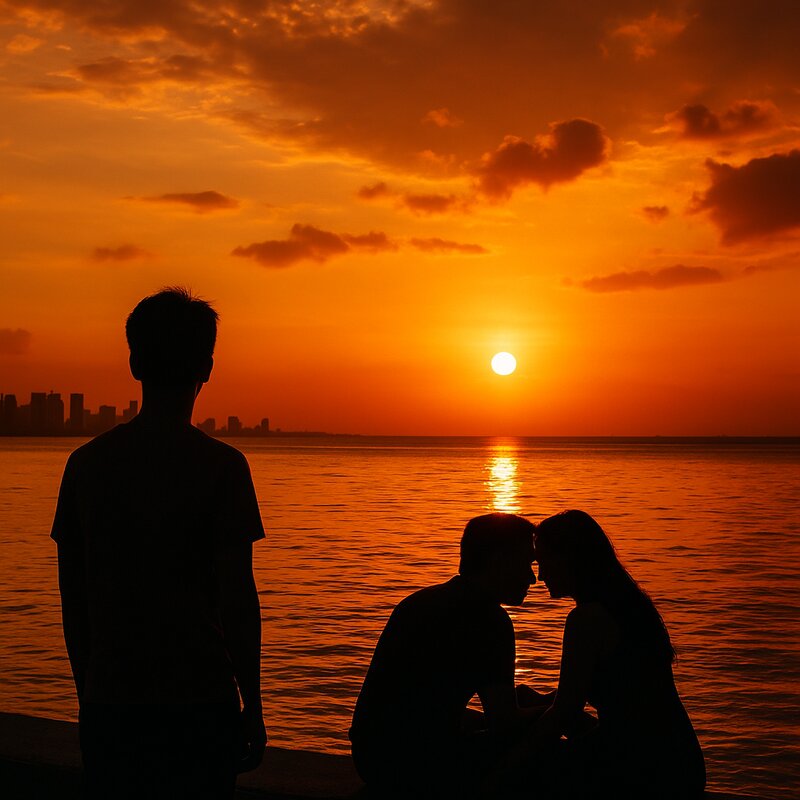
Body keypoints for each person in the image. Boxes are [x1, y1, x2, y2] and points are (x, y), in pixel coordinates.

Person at [52, 287, 267, 799]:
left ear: (134, 364)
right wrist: (254, 706)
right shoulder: (223, 468)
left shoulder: (86, 465)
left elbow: (74, 599)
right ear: (207, 368)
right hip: (200, 701)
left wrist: (89, 694)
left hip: (112, 702)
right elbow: (238, 599)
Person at [349, 512, 547, 798]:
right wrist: (558, 708)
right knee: (542, 749)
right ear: (499, 561)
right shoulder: (490, 620)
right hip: (417, 767)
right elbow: (504, 722)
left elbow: (419, 705)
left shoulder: (418, 602)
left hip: (370, 758)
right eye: (526, 564)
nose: (532, 578)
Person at [530, 510, 705, 799]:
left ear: (570, 559)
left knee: (530, 767)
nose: (541, 575)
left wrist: (508, 765)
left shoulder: (586, 619)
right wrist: (539, 704)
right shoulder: (628, 604)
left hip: (647, 767)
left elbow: (565, 712)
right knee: (531, 705)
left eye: (545, 562)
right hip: (682, 759)